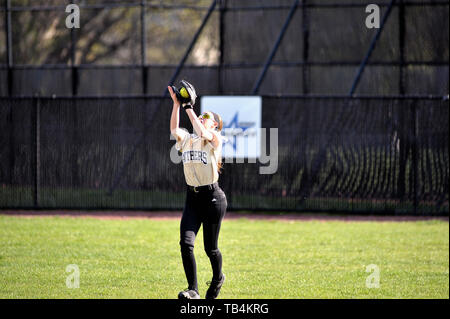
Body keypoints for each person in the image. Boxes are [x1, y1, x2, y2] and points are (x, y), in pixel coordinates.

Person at [168, 85, 227, 299]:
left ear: (215, 126)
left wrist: (189, 108)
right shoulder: (188, 140)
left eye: (207, 117)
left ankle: (218, 277)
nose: (202, 118)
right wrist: (177, 105)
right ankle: (193, 289)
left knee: (210, 249)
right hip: (192, 199)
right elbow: (175, 130)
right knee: (186, 243)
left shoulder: (214, 140)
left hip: (213, 199)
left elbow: (203, 131)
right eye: (201, 116)